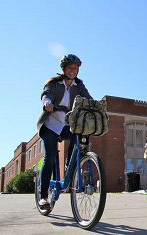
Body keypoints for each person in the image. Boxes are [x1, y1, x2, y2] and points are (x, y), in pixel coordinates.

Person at [36, 54, 92, 208]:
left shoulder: (78, 85)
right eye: (70, 68)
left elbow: (88, 99)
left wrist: (97, 107)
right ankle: (43, 197)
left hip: (67, 125)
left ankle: (70, 168)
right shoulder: (55, 83)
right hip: (50, 126)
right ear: (64, 69)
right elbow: (46, 95)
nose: (73, 71)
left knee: (79, 139)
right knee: (51, 158)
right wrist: (47, 103)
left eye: (76, 68)